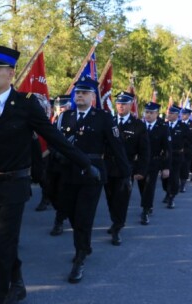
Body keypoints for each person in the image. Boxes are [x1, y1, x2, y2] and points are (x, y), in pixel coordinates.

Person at [0, 46, 96, 303]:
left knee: (2, 242)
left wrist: (85, 162)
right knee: (4, 240)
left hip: (15, 184)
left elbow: (53, 136)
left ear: (11, 74)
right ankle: (17, 281)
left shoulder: (25, 104)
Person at [56, 77, 130, 284]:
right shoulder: (65, 117)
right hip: (68, 172)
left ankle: (79, 256)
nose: (79, 96)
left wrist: (125, 173)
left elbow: (117, 146)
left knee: (83, 216)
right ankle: (84, 245)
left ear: (92, 97)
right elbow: (56, 141)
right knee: (69, 212)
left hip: (93, 174)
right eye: (77, 93)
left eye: (84, 93)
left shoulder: (104, 118)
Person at [104, 91, 150, 246]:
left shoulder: (138, 125)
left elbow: (144, 151)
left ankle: (118, 226)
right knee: (110, 198)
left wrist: (141, 170)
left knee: (121, 199)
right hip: (108, 166)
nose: (121, 106)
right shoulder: (108, 121)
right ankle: (114, 220)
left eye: (124, 103)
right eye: (118, 103)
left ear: (131, 105)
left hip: (126, 168)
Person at [161, 106, 192, 208]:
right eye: (168, 113)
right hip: (165, 156)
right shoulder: (163, 126)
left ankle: (171, 196)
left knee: (174, 176)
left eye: (171, 113)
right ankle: (167, 191)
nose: (168, 115)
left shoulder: (183, 127)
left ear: (176, 115)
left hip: (177, 155)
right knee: (164, 178)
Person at [137, 102, 171, 225]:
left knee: (149, 186)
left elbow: (167, 148)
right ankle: (146, 204)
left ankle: (145, 211)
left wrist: (166, 167)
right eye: (147, 112)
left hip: (154, 161)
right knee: (141, 185)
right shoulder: (139, 126)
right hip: (140, 162)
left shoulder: (162, 127)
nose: (148, 115)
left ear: (157, 114)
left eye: (151, 113)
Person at [43, 95, 72, 235]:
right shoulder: (54, 122)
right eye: (58, 106)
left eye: (64, 106)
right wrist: (55, 151)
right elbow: (50, 139)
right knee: (51, 190)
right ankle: (63, 210)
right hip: (54, 162)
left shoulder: (75, 120)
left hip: (70, 164)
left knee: (63, 192)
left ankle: (59, 221)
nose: (60, 108)